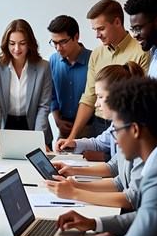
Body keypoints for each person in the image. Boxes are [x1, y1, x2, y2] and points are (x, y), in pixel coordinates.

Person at [56, 77, 157, 236]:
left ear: (135, 130)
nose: (115, 138)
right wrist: (94, 224)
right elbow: (145, 216)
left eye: (116, 129)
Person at [57, 0, 151, 156]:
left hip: (128, 126)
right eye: (94, 29)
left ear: (117, 22)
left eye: (101, 29)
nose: (97, 35)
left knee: (119, 172)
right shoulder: (97, 54)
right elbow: (89, 97)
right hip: (100, 127)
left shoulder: (142, 52)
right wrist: (72, 137)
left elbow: (142, 99)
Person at [47, 62, 145, 209]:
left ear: (117, 96)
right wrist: (75, 182)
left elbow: (132, 198)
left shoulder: (138, 135)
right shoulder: (121, 124)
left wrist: (75, 193)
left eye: (100, 97)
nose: (96, 104)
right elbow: (117, 177)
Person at [0, 19, 53, 152]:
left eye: (22, 43)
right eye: (12, 43)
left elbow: (43, 107)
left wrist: (39, 139)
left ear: (30, 44)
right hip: (8, 129)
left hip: (35, 128)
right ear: (6, 44)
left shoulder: (43, 66)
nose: (16, 49)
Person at [47, 15, 92, 139]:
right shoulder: (53, 60)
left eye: (63, 42)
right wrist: (57, 121)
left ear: (76, 37)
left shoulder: (93, 59)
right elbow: (52, 96)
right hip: (64, 129)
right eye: (54, 43)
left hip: (89, 129)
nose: (58, 48)